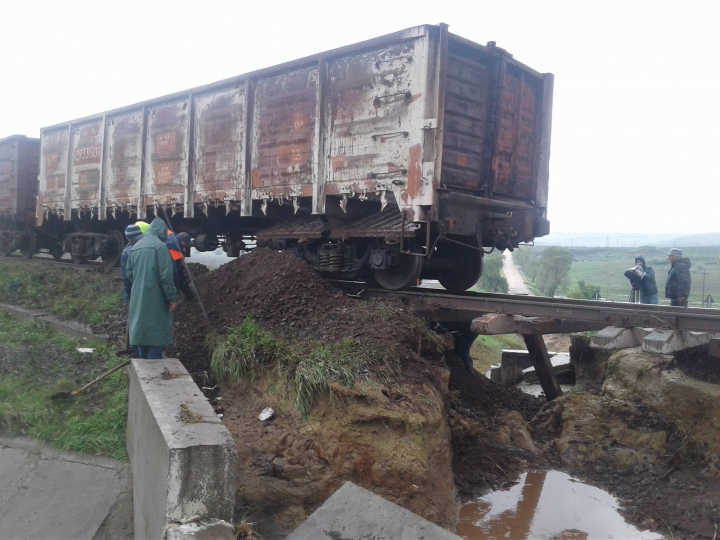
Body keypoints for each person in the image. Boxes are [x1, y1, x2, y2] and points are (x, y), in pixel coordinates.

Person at [125, 218, 178, 359]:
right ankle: (153, 373)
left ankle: (142, 366)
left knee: (141, 334)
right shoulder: (160, 248)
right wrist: (172, 298)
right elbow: (166, 277)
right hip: (156, 300)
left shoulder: (135, 247)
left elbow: (129, 274)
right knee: (156, 337)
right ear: (161, 232)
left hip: (138, 298)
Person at [120, 223, 146, 305]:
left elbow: (126, 278)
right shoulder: (154, 246)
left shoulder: (126, 252)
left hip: (137, 289)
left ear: (128, 238)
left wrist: (128, 297)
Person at [166, 230, 193, 300]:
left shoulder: (172, 236)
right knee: (179, 278)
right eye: (185, 244)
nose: (185, 246)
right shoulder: (176, 253)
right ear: (181, 242)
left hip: (174, 261)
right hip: (173, 262)